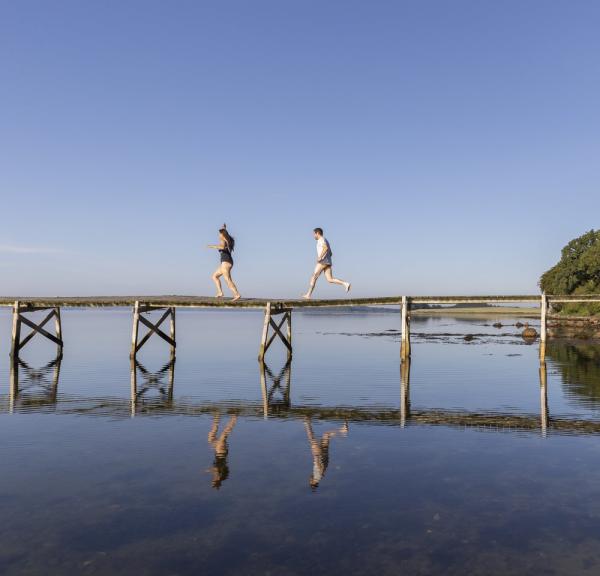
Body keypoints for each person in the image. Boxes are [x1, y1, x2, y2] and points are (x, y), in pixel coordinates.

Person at [302, 227, 351, 299]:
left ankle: (308, 295)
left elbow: (325, 248)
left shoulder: (321, 240)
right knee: (330, 279)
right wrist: (326, 257)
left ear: (317, 233)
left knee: (314, 276)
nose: (313, 236)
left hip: (323, 261)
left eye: (314, 234)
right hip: (328, 262)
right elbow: (330, 253)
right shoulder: (326, 240)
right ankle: (345, 283)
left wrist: (320, 257)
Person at [207, 224, 241, 301]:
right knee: (214, 276)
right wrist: (224, 228)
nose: (218, 236)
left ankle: (237, 294)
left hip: (226, 262)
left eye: (220, 234)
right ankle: (220, 292)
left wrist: (212, 246)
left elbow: (222, 247)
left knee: (227, 279)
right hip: (226, 262)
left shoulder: (223, 240)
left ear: (222, 235)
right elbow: (225, 236)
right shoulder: (227, 239)